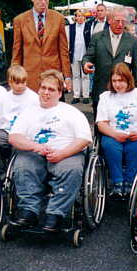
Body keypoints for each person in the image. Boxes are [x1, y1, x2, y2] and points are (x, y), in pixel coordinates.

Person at [9, 70, 92, 232]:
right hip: (36, 152)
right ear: (38, 89)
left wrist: (62, 153)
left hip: (65, 153)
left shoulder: (71, 112)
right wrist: (36, 146)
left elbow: (84, 139)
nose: (46, 93)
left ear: (60, 93)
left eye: (51, 89)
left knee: (73, 169)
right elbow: (14, 137)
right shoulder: (28, 112)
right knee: (22, 165)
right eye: (43, 88)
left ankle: (55, 213)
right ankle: (29, 212)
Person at [96, 63, 137, 198]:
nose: (118, 84)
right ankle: (117, 182)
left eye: (121, 80)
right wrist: (115, 134)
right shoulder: (105, 97)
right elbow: (101, 123)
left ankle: (130, 182)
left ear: (129, 79)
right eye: (114, 81)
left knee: (136, 148)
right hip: (113, 134)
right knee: (110, 147)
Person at [11, 0, 72, 93]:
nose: (43, 1)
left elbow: (63, 51)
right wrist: (14, 75)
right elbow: (17, 52)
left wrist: (67, 76)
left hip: (53, 77)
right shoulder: (20, 20)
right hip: (29, 78)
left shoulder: (58, 19)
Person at [82, 6, 137, 117]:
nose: (120, 24)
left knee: (121, 123)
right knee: (100, 125)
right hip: (101, 89)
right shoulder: (97, 38)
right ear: (109, 20)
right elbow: (88, 56)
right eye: (117, 21)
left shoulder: (133, 41)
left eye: (123, 21)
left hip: (123, 92)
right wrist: (85, 64)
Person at [0, 65, 38, 175]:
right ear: (10, 82)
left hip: (24, 133)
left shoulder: (33, 98)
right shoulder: (4, 98)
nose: (21, 86)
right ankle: (2, 172)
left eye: (23, 82)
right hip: (7, 130)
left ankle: (14, 173)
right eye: (17, 83)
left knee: (16, 145)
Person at [69, 10, 90, 104]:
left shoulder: (88, 26)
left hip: (85, 55)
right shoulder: (71, 27)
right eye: (78, 16)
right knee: (76, 76)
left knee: (85, 75)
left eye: (82, 16)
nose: (80, 18)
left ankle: (86, 96)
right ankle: (76, 95)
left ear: (84, 17)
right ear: (75, 17)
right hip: (74, 54)